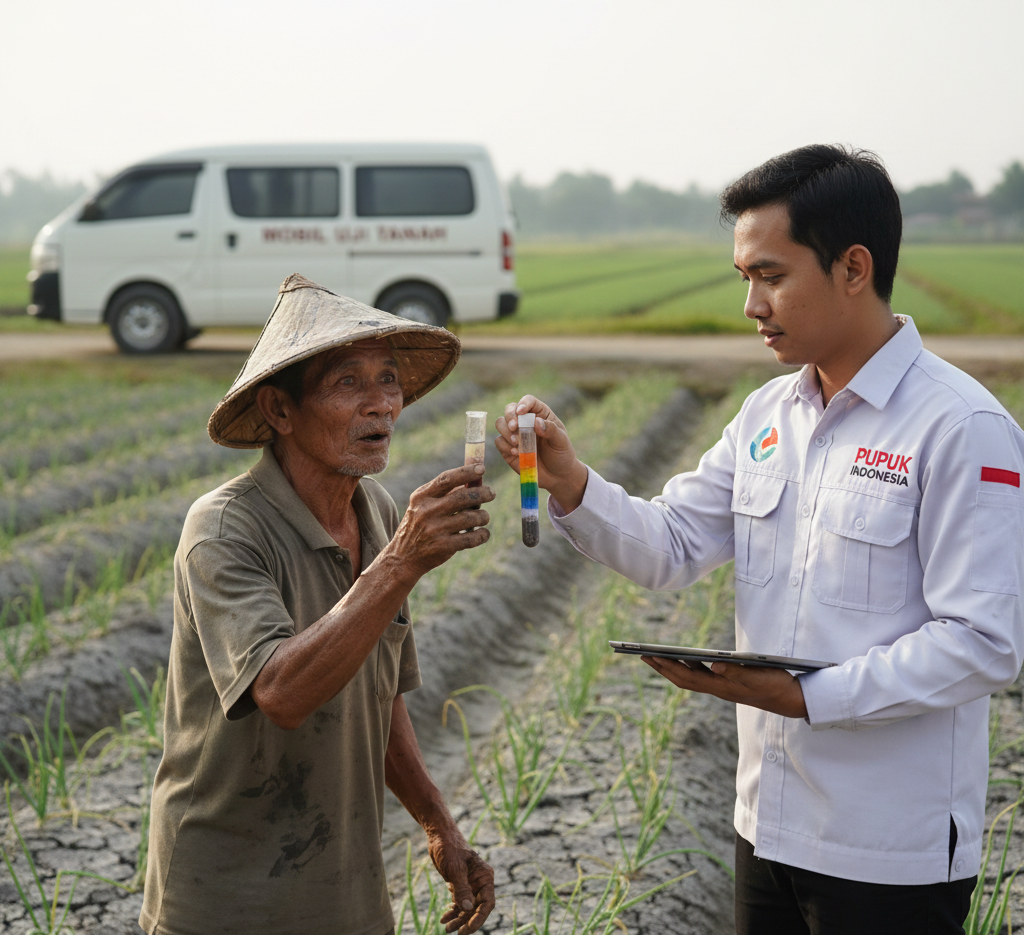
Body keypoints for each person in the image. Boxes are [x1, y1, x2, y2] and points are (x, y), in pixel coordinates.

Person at [495, 145, 1024, 935]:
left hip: (886, 847)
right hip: (766, 821)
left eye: (771, 275)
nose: (752, 304)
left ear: (853, 267)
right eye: (744, 276)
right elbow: (670, 543)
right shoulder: (767, 415)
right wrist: (571, 481)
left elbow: (984, 642)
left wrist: (810, 697)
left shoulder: (961, 427)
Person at [140, 274, 495, 935]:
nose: (381, 405)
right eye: (347, 383)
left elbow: (381, 694)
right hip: (225, 898)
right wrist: (400, 563)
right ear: (279, 410)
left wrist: (439, 825)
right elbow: (281, 691)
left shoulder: (380, 511)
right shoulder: (225, 528)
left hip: (344, 890)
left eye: (388, 379)